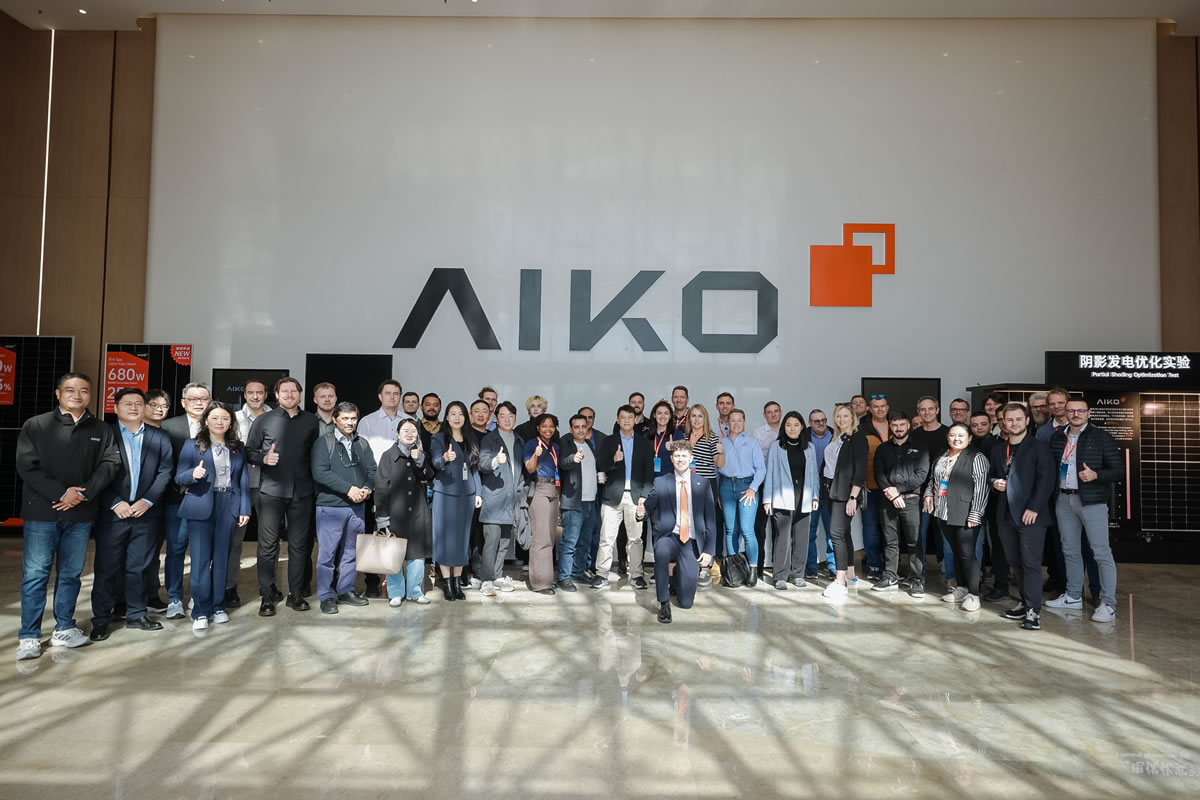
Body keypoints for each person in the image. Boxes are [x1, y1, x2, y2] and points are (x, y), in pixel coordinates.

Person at [14, 373, 121, 660]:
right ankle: (29, 636)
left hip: (81, 512)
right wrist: (61, 493)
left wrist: (83, 493)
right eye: (70, 390)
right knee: (36, 574)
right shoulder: (37, 425)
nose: (77, 395)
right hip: (42, 512)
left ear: (90, 395)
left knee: (71, 574)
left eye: (84, 390)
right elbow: (27, 466)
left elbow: (110, 463)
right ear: (58, 393)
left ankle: (64, 628)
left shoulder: (100, 428)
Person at [89, 388, 172, 641]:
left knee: (139, 567)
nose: (134, 408)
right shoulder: (104, 434)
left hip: (146, 513)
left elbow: (165, 471)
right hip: (113, 514)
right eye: (128, 403)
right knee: (107, 567)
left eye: (139, 403)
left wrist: (147, 501)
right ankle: (101, 619)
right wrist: (115, 502)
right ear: (116, 408)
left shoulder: (160, 436)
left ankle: (137, 614)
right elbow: (93, 473)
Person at [245, 376, 320, 616]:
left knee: (299, 546)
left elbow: (316, 455)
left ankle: (295, 594)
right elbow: (249, 451)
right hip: (271, 492)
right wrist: (263, 458)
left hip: (302, 492)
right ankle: (267, 596)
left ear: (300, 394)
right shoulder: (264, 420)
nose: (289, 395)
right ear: (276, 396)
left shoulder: (311, 421)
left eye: (293, 391)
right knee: (267, 547)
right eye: (284, 391)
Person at [176, 402, 251, 631]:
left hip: (228, 504)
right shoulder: (191, 445)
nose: (220, 422)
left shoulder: (237, 447)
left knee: (221, 559)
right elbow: (178, 477)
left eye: (225, 418)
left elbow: (243, 480)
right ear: (206, 420)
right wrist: (192, 474)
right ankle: (200, 610)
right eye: (215, 418)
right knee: (200, 561)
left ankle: (218, 606)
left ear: (231, 422)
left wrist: (244, 508)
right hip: (200, 504)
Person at [1045, 398, 1121, 622]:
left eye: (1080, 410)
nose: (1076, 414)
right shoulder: (1057, 437)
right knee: (1069, 550)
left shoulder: (1102, 437)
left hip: (1091, 501)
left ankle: (1108, 603)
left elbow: (1118, 471)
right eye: (1071, 410)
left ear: (1089, 413)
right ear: (1065, 413)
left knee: (1101, 552)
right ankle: (1073, 596)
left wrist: (1097, 475)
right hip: (1063, 499)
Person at [636, 440, 717, 623]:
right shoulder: (661, 482)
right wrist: (641, 513)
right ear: (672, 459)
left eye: (684, 456)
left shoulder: (703, 484)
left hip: (691, 540)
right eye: (677, 456)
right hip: (668, 536)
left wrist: (709, 550)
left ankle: (676, 579)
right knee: (661, 552)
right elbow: (649, 507)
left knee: (686, 602)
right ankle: (664, 603)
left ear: (691, 458)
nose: (680, 459)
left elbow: (711, 520)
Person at [990, 403, 1055, 631]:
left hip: (1031, 516)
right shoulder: (998, 449)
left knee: (1031, 564)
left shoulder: (1039, 447)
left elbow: (1046, 480)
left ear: (1027, 421)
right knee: (1015, 562)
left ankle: (1033, 611)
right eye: (1009, 419)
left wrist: (1034, 508)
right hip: (1006, 515)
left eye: (1019, 419)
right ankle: (1025, 603)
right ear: (1003, 422)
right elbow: (991, 475)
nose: (1014, 423)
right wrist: (994, 482)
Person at [311, 401, 377, 614]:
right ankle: (326, 595)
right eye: (345, 418)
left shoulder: (362, 443)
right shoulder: (324, 443)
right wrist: (349, 489)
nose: (350, 422)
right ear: (335, 419)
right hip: (331, 507)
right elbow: (320, 472)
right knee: (327, 555)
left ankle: (346, 590)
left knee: (351, 553)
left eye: (353, 418)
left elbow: (372, 470)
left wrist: (366, 488)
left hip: (357, 508)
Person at [921, 423, 990, 611]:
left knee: (967, 554)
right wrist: (928, 494)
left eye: (961, 435)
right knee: (955, 552)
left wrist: (976, 513)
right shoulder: (942, 455)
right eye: (952, 435)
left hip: (966, 513)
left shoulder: (977, 458)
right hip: (943, 512)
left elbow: (982, 488)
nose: (956, 439)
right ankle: (961, 588)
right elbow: (933, 480)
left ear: (970, 438)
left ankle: (974, 595)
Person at [157, 381, 211, 619]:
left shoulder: (217, 423)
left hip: (208, 498)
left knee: (203, 551)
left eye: (203, 399)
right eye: (193, 399)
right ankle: (174, 598)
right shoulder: (169, 426)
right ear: (183, 402)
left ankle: (199, 596)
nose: (199, 403)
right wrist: (182, 486)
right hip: (177, 499)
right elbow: (162, 464)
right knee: (176, 549)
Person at [376, 418, 435, 606]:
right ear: (397, 434)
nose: (410, 434)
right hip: (395, 513)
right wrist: (382, 518)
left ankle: (415, 592)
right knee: (394, 554)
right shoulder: (388, 456)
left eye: (413, 431)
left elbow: (430, 475)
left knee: (417, 554)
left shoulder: (420, 454)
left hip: (418, 512)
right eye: (405, 431)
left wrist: (419, 460)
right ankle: (396, 592)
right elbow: (381, 488)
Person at [595, 405, 655, 589]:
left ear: (635, 420)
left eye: (630, 417)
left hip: (636, 498)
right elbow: (600, 466)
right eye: (623, 417)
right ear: (617, 420)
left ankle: (637, 575)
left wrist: (644, 496)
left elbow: (649, 472)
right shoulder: (608, 441)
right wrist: (614, 459)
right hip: (612, 497)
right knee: (607, 538)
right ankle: (601, 574)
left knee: (636, 539)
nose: (627, 421)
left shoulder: (644, 443)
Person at [873, 411, 930, 595]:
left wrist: (898, 490)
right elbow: (878, 474)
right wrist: (892, 494)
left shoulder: (920, 448)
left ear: (908, 425)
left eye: (902, 425)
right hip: (888, 501)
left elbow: (921, 474)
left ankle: (916, 580)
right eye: (895, 425)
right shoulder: (883, 449)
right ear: (890, 426)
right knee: (890, 541)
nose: (898, 428)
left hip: (911, 501)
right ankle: (890, 576)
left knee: (914, 542)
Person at [430, 401, 483, 601]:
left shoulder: (470, 438)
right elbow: (435, 462)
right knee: (445, 539)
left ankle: (457, 582)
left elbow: (474, 468)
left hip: (467, 495)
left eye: (460, 414)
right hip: (445, 494)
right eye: (453, 414)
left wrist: (478, 493)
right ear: (446, 417)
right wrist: (445, 458)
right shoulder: (438, 438)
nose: (457, 417)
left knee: (462, 539)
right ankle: (447, 583)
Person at [762, 411, 820, 589]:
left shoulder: (809, 448)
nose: (792, 428)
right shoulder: (776, 446)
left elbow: (814, 474)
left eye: (796, 425)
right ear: (783, 427)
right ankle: (780, 576)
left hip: (804, 496)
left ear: (802, 427)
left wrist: (815, 496)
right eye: (788, 425)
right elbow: (770, 473)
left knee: (802, 538)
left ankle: (798, 574)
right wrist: (767, 500)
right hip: (782, 497)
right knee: (783, 538)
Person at [227, 379, 271, 608]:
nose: (255, 396)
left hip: (269, 485)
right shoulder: (233, 419)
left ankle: (269, 586)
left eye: (259, 392)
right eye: (250, 392)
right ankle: (229, 586)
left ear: (266, 395)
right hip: (240, 486)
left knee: (268, 541)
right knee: (234, 541)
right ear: (244, 395)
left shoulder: (276, 417)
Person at [820, 404, 867, 602]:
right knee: (844, 533)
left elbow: (860, 470)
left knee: (836, 534)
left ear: (853, 417)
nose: (842, 419)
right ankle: (850, 574)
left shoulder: (858, 438)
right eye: (838, 416)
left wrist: (853, 497)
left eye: (846, 415)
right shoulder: (838, 437)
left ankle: (840, 582)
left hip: (846, 493)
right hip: (832, 491)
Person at [477, 402, 525, 595]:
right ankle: (486, 580)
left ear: (515, 418)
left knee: (505, 542)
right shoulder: (489, 439)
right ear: (496, 418)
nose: (507, 419)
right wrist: (495, 461)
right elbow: (482, 464)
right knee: (491, 542)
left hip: (512, 499)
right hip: (494, 499)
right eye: (502, 416)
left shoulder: (520, 440)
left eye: (510, 415)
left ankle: (497, 576)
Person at [718, 408, 766, 585]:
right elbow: (716, 469)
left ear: (744, 422)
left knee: (747, 530)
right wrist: (718, 492)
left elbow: (761, 469)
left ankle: (752, 569)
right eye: (733, 420)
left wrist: (753, 489)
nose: (736, 423)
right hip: (726, 486)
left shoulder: (752, 442)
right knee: (731, 530)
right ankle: (734, 571)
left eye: (740, 420)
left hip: (747, 487)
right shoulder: (721, 443)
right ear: (727, 422)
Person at [559, 413, 601, 591]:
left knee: (584, 542)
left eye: (584, 426)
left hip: (591, 502)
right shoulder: (566, 443)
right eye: (577, 427)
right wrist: (573, 459)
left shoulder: (589, 445)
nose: (581, 430)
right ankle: (564, 577)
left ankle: (577, 572)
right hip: (574, 502)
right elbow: (563, 463)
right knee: (569, 542)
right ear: (571, 429)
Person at [685, 404, 725, 582]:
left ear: (705, 418)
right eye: (693, 416)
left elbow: (720, 464)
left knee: (706, 525)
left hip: (706, 485)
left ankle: (706, 566)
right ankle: (692, 562)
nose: (696, 419)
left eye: (700, 416)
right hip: (687, 485)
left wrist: (721, 453)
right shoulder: (684, 437)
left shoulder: (712, 437)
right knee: (690, 524)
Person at [523, 413, 562, 594]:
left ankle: (547, 578)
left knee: (551, 537)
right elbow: (530, 468)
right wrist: (536, 455)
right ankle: (539, 583)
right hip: (539, 488)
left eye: (551, 426)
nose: (548, 429)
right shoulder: (531, 444)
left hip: (554, 489)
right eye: (544, 426)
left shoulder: (555, 446)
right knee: (541, 537)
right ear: (538, 427)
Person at [859, 394, 891, 581]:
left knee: (890, 530)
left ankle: (891, 567)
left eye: (883, 406)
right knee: (871, 528)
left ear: (887, 407)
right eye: (876, 406)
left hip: (893, 489)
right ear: (869, 409)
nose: (880, 409)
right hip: (870, 488)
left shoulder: (896, 426)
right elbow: (858, 458)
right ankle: (874, 564)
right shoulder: (862, 429)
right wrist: (861, 481)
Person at [806, 409, 835, 579]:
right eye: (816, 421)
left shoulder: (835, 436)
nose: (821, 423)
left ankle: (833, 566)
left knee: (832, 531)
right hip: (810, 490)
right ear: (810, 423)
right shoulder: (803, 437)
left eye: (823, 420)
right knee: (810, 531)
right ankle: (811, 566)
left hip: (830, 489)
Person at [647, 400, 683, 476]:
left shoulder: (677, 434)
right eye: (659, 413)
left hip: (670, 478)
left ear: (670, 416)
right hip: (650, 478)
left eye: (666, 413)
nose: (662, 416)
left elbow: (683, 458)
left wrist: (674, 448)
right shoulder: (647, 435)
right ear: (654, 415)